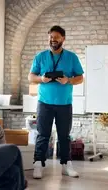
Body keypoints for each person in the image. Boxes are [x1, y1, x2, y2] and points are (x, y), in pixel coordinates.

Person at [28, 25, 84, 179]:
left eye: (56, 37)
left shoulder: (72, 57)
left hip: (64, 103)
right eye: (51, 37)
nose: (53, 40)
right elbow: (31, 77)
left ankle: (67, 165)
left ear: (63, 39)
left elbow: (80, 78)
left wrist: (68, 80)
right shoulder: (40, 56)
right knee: (42, 135)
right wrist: (42, 79)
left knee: (64, 136)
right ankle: (38, 164)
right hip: (44, 103)